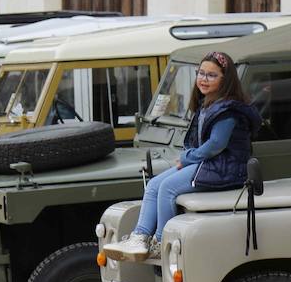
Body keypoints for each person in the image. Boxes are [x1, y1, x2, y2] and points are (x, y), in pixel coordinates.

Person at [105, 51, 260, 263]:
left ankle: (160, 243)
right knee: (154, 185)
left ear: (226, 80)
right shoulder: (209, 104)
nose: (204, 79)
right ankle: (139, 237)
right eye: (201, 73)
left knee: (168, 188)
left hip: (226, 167)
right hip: (210, 163)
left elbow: (216, 144)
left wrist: (188, 158)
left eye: (212, 75)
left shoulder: (228, 110)